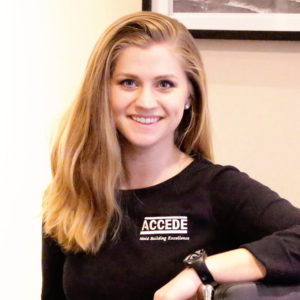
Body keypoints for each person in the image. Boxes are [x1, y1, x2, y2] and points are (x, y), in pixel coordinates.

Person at [41, 11, 300, 300]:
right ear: (103, 92)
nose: (146, 102)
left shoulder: (217, 189)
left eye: (165, 84)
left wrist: (199, 272)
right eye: (128, 82)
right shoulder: (73, 195)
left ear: (189, 95)